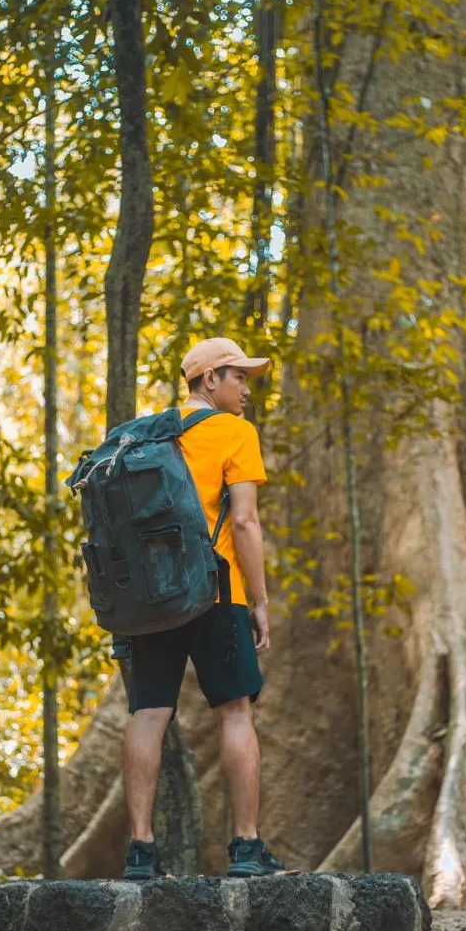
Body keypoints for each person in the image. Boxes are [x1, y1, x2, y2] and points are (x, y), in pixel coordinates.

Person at [123, 337, 285, 881]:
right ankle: (245, 846)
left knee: (149, 713)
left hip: (151, 598)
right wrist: (260, 601)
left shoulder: (148, 434)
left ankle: (141, 850)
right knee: (235, 710)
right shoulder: (235, 433)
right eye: (239, 377)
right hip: (218, 592)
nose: (246, 389)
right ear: (209, 380)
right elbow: (243, 522)